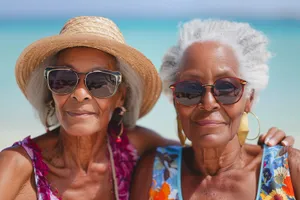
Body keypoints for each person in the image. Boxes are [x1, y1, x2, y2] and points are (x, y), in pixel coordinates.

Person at [0, 16, 294, 200]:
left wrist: (275, 153)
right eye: (63, 80)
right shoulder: (18, 167)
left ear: (121, 97)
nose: (80, 94)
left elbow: (209, 144)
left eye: (100, 82)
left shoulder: (138, 149)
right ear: (51, 90)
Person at [130, 19, 300, 200]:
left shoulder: (288, 169)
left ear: (248, 99)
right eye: (189, 90)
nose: (209, 102)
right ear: (175, 101)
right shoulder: (155, 172)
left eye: (227, 88)